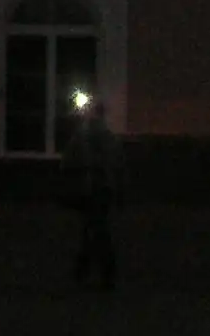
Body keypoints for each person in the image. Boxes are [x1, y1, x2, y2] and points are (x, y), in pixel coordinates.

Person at [61, 96, 125, 289]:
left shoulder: (83, 137)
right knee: (97, 230)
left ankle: (88, 271)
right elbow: (118, 164)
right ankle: (97, 272)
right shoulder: (108, 137)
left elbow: (68, 162)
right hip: (102, 189)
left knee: (93, 230)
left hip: (90, 189)